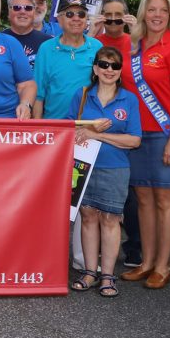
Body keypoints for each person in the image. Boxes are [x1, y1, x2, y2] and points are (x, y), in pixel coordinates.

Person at [119, 0, 170, 291]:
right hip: (136, 135)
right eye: (151, 9)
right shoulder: (132, 46)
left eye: (163, 10)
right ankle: (147, 261)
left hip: (164, 134)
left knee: (165, 200)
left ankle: (163, 266)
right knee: (143, 200)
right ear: (142, 13)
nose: (157, 15)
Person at [67, 46, 142, 298]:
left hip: (115, 168)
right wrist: (86, 132)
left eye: (115, 65)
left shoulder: (129, 99)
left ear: (120, 70)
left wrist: (98, 135)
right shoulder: (82, 95)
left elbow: (135, 140)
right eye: (104, 64)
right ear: (95, 68)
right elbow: (68, 128)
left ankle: (108, 275)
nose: (109, 70)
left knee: (110, 219)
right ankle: (90, 272)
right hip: (84, 167)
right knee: (88, 217)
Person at [33, 0, 102, 120]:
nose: (76, 18)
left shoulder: (97, 47)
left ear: (86, 19)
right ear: (59, 20)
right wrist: (38, 128)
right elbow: (38, 94)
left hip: (87, 126)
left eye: (81, 14)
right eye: (69, 14)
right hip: (54, 124)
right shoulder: (46, 48)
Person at [1, 0, 51, 72]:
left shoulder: (48, 43)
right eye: (17, 7)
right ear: (9, 11)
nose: (22, 12)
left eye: (28, 8)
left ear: (33, 12)